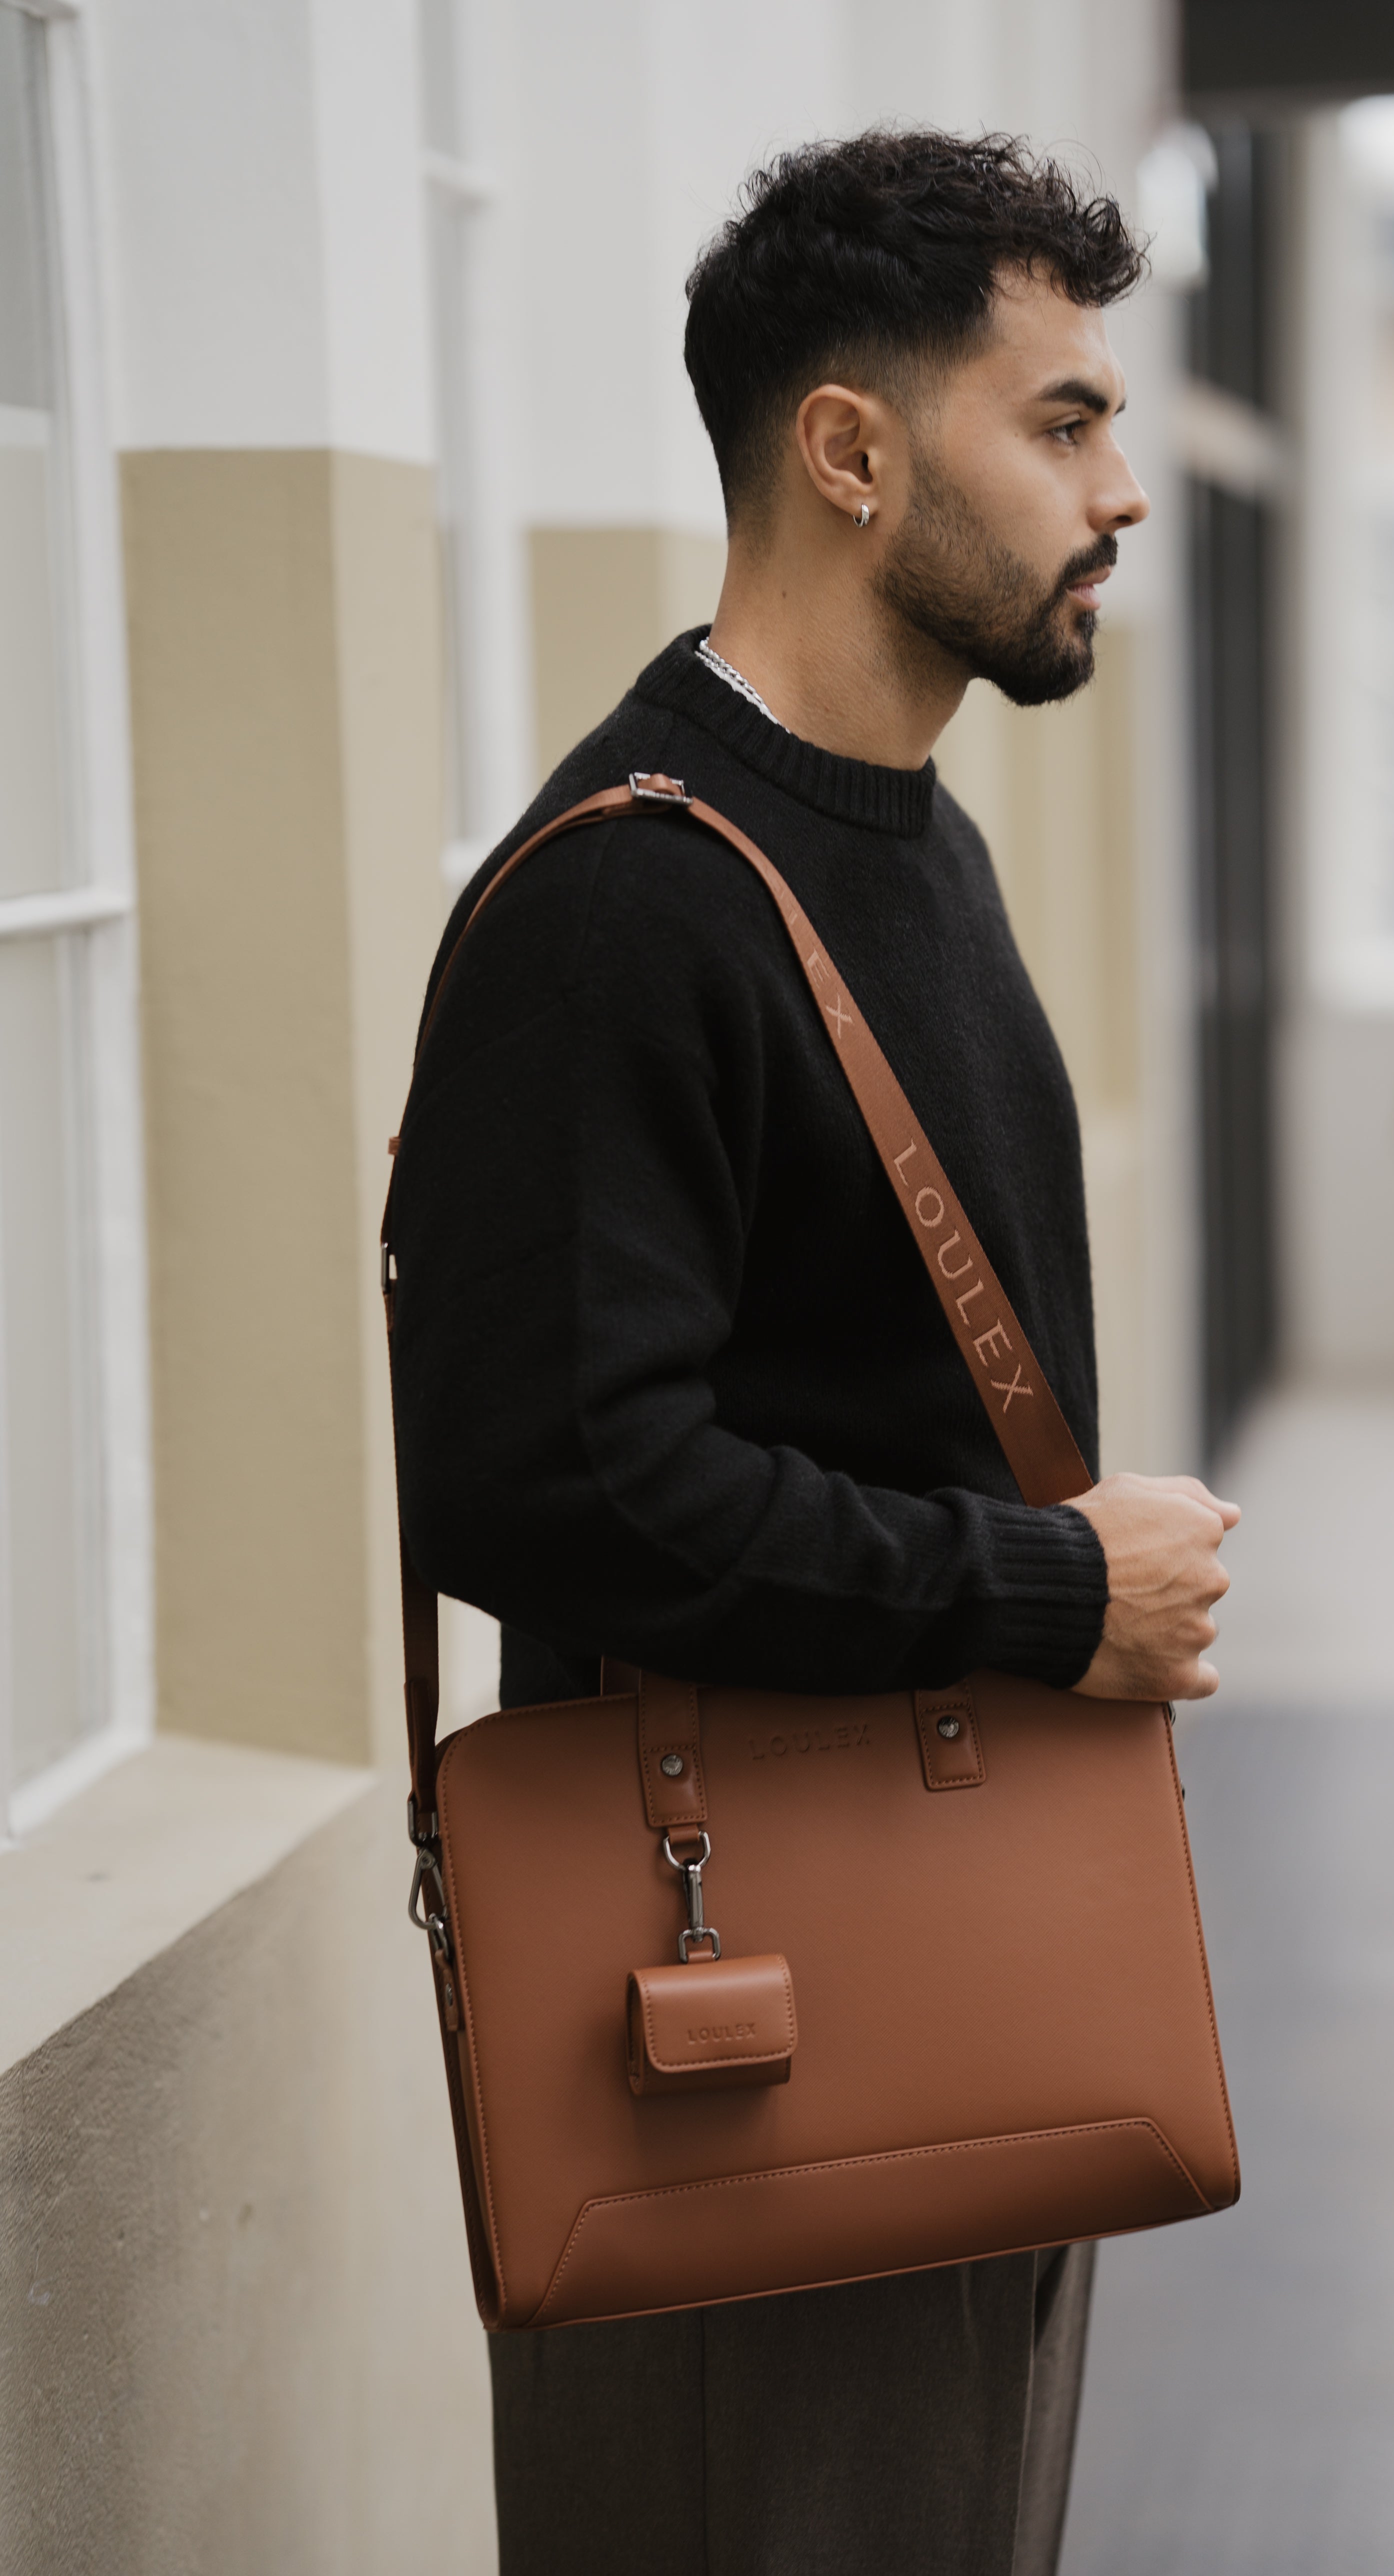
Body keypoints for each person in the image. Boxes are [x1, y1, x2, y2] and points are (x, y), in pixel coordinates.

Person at [390, 127, 1238, 2576]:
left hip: (960, 1969)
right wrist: (1046, 1595)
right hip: (741, 2029)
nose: (1125, 489)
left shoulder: (908, 832)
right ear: (849, 452)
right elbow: (551, 1483)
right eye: (1061, 422)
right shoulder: (635, 903)